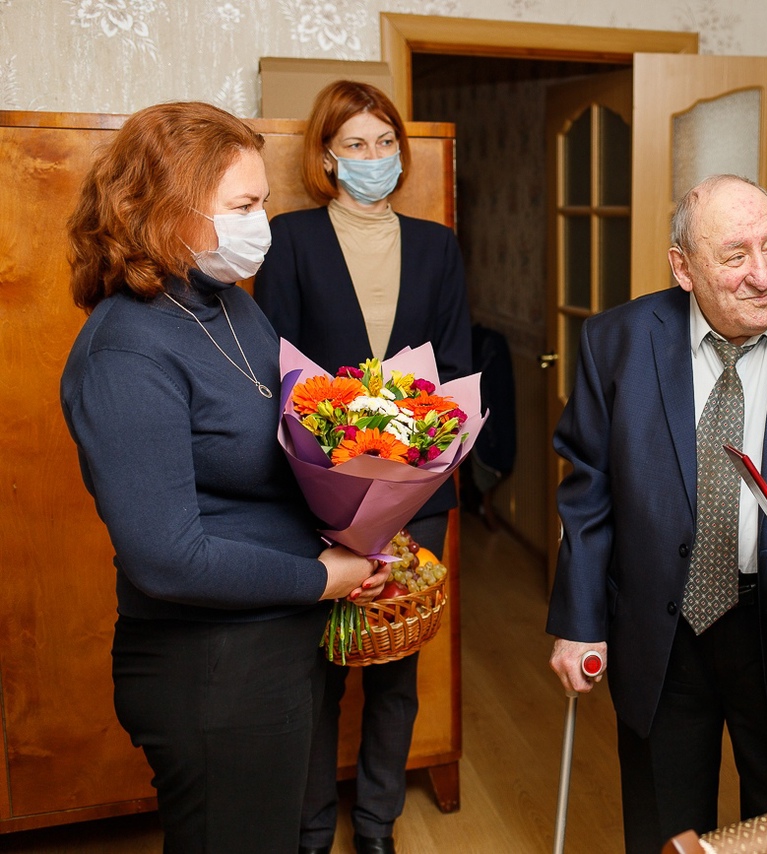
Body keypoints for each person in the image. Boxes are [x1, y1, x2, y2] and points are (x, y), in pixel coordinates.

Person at [60, 101, 385, 854]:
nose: (261, 224)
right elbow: (166, 558)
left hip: (274, 641)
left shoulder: (227, 302)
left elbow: (283, 440)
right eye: (243, 207)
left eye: (262, 203)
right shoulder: (126, 352)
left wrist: (363, 516)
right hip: (211, 668)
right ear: (166, 211)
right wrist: (323, 576)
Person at [546, 174, 767, 852]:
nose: (764, 274)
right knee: (667, 829)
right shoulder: (616, 342)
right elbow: (588, 492)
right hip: (662, 628)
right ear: (683, 268)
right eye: (735, 256)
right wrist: (579, 622)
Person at [253, 80, 471, 854]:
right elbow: (276, 372)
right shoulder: (290, 239)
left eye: (385, 143)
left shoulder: (438, 246)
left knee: (395, 666)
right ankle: (313, 828)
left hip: (418, 494)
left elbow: (456, 368)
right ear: (327, 157)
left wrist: (414, 462)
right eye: (355, 144)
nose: (373, 157)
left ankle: (377, 824)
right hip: (319, 496)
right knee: (318, 671)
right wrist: (334, 465)